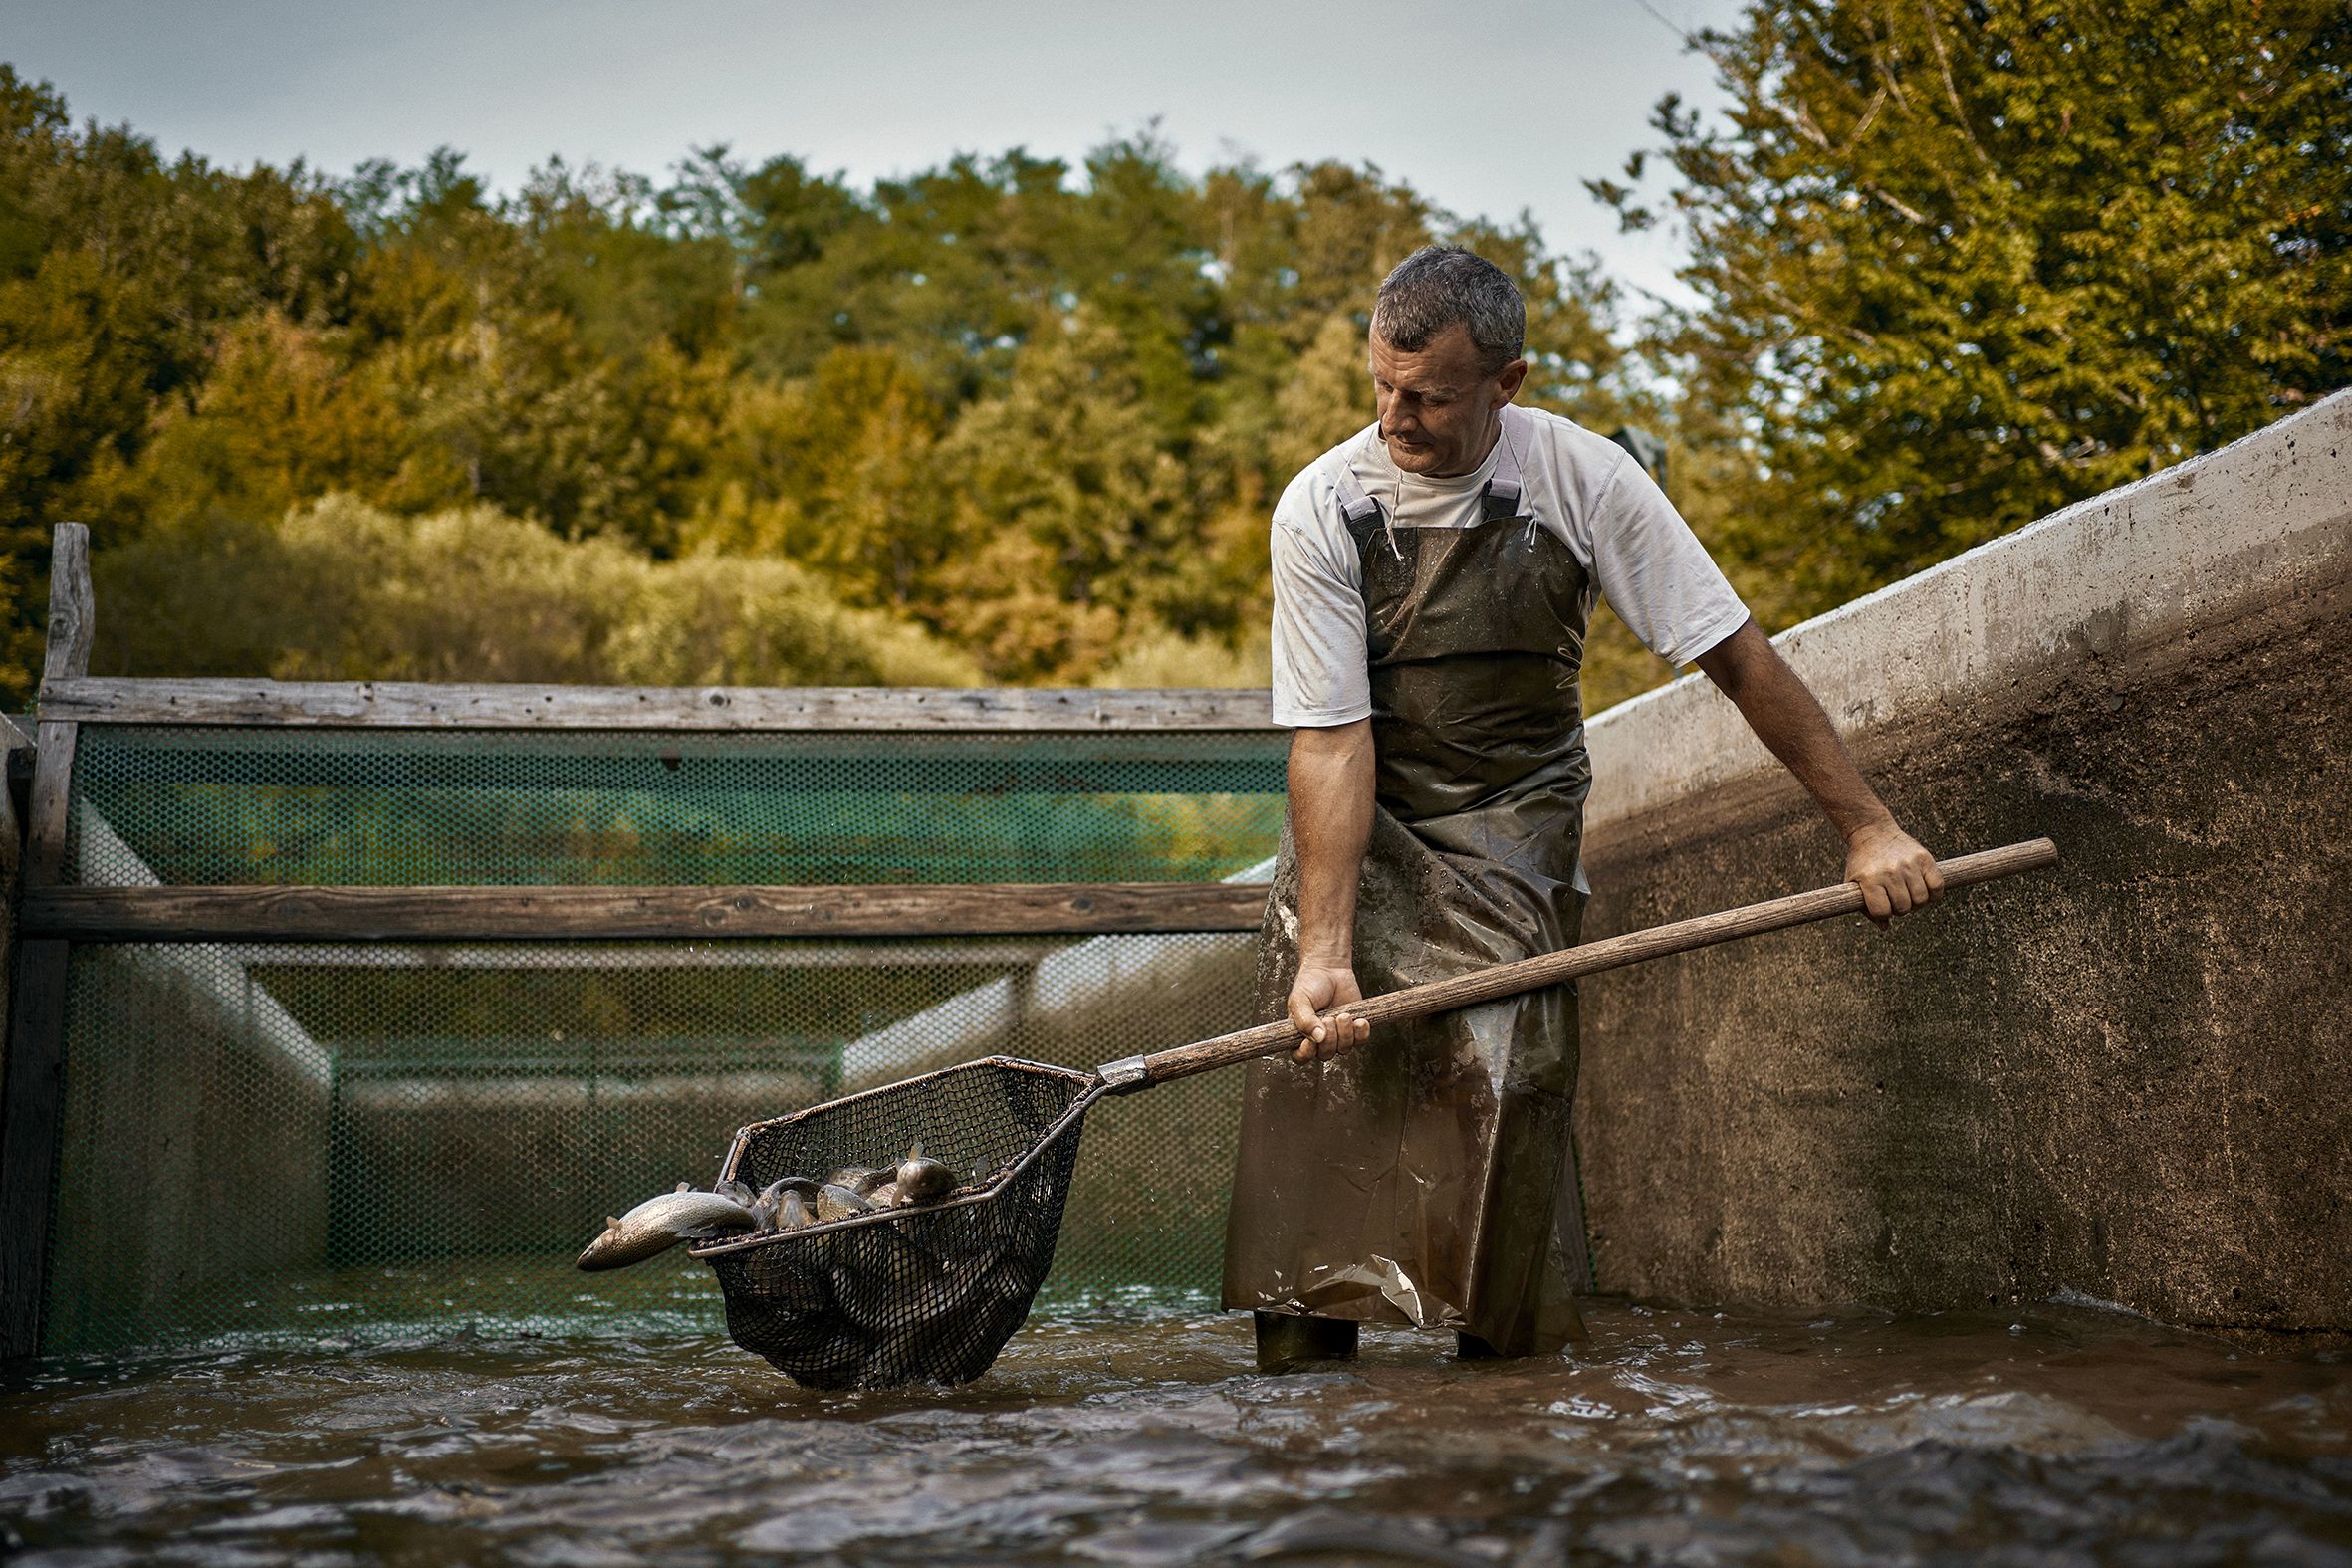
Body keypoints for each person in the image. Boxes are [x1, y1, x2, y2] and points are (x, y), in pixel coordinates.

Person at [1226, 246, 1943, 1372]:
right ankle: (1310, 1429)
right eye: (1380, 387)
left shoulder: (1586, 478)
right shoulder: (1321, 505)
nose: (1395, 417)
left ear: (1507, 383)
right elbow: (1330, 737)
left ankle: (1503, 1417)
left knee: (1506, 1089)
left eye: (1430, 396)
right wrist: (1324, 946)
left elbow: (1736, 656)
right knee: (1317, 1102)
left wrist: (1866, 825)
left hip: (1515, 818)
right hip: (1363, 823)